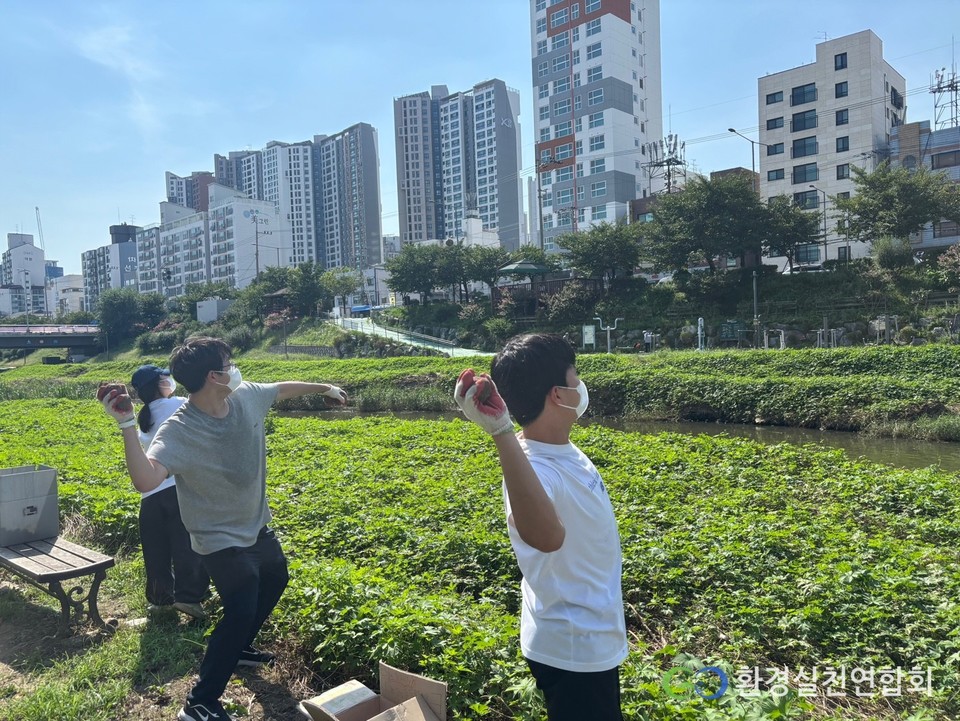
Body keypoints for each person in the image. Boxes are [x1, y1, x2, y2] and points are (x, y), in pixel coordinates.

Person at [100, 337, 348, 721]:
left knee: (275, 577)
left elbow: (281, 389)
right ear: (214, 376)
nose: (235, 368)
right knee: (241, 604)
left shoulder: (245, 396)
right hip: (216, 536)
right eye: (228, 363)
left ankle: (241, 648)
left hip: (255, 523)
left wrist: (325, 389)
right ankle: (199, 702)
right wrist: (127, 425)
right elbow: (147, 480)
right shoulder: (179, 429)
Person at [454, 333, 627, 721]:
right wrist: (499, 431)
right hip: (574, 648)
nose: (581, 385)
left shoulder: (557, 447)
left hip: (592, 635)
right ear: (557, 394)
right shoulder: (532, 469)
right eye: (575, 376)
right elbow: (547, 537)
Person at [130, 363, 208, 620]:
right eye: (166, 378)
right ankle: (189, 599)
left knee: (156, 549)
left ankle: (160, 601)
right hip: (178, 487)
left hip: (151, 493)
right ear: (159, 384)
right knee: (186, 545)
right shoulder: (180, 404)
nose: (170, 380)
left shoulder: (144, 417)